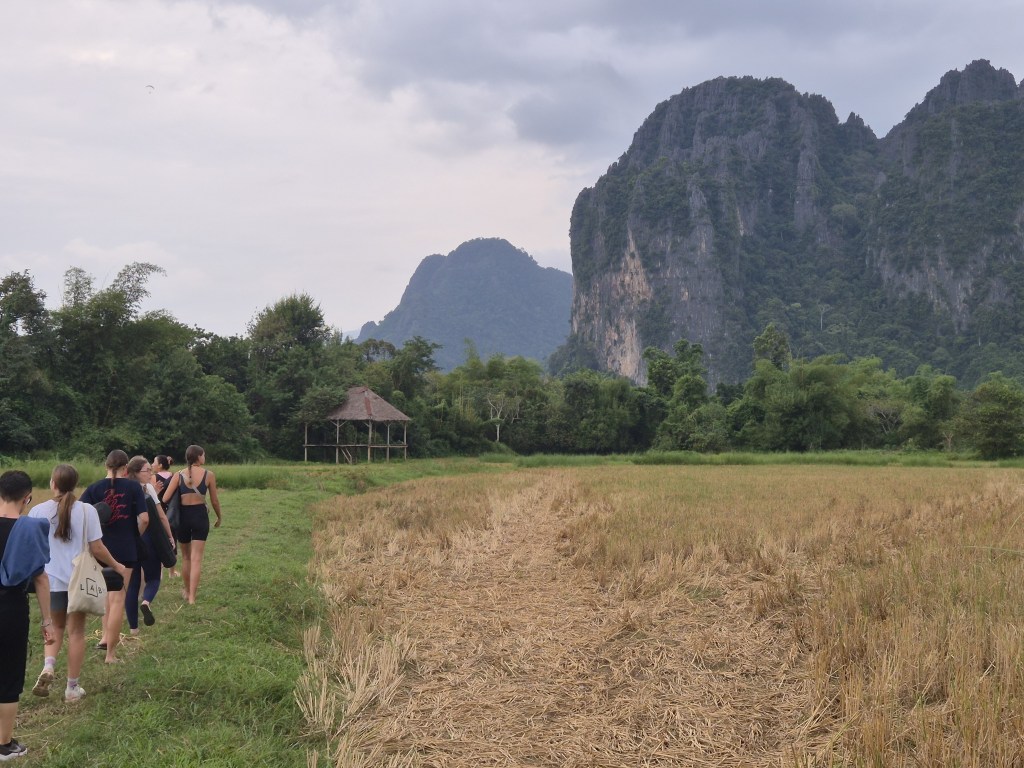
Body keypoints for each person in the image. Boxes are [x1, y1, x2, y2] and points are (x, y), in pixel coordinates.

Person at [28, 464, 127, 703]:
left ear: (53, 483)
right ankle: (72, 688)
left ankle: (49, 665)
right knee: (77, 632)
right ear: (75, 484)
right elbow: (97, 548)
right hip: (78, 581)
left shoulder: (38, 511)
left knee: (54, 627)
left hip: (50, 581)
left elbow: (32, 546)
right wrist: (117, 565)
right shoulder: (87, 510)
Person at [0, 470, 54, 761]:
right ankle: (4, 745)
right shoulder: (30, 529)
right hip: (10, 609)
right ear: (27, 498)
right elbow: (41, 580)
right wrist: (47, 621)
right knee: (8, 676)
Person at [80, 450, 149, 663]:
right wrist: (134, 535)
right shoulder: (134, 487)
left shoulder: (93, 488)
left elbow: (81, 515)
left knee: (106, 595)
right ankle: (111, 654)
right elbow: (145, 519)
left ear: (106, 466)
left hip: (100, 549)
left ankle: (104, 638)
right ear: (125, 468)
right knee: (118, 599)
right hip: (126, 549)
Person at [162, 445, 221, 605]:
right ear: (199, 457)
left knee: (186, 558)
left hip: (183, 518)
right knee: (196, 559)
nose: (204, 457)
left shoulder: (178, 474)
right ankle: (192, 598)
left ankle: (187, 591)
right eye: (204, 455)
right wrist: (219, 517)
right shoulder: (209, 475)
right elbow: (215, 501)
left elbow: (165, 498)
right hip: (200, 516)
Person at [124, 457, 173, 634]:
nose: (150, 473)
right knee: (153, 578)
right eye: (147, 470)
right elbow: (161, 516)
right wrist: (170, 536)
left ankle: (133, 628)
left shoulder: (123, 489)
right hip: (147, 539)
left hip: (129, 540)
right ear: (136, 472)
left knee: (132, 584)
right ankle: (146, 602)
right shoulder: (148, 489)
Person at [152, 455, 178, 578]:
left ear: (160, 465)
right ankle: (172, 572)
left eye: (154, 462)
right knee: (173, 540)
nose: (152, 464)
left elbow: (151, 495)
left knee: (159, 540)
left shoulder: (154, 477)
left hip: (159, 511)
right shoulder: (174, 476)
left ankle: (160, 571)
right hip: (173, 511)